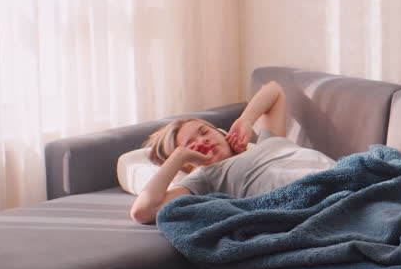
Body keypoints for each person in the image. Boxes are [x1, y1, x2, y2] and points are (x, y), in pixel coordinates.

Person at [129, 81, 336, 224]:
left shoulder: (267, 141)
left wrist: (245, 120)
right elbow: (143, 212)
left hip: (339, 173)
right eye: (191, 144)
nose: (202, 141)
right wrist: (179, 156)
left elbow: (274, 90)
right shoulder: (205, 177)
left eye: (204, 132)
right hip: (316, 198)